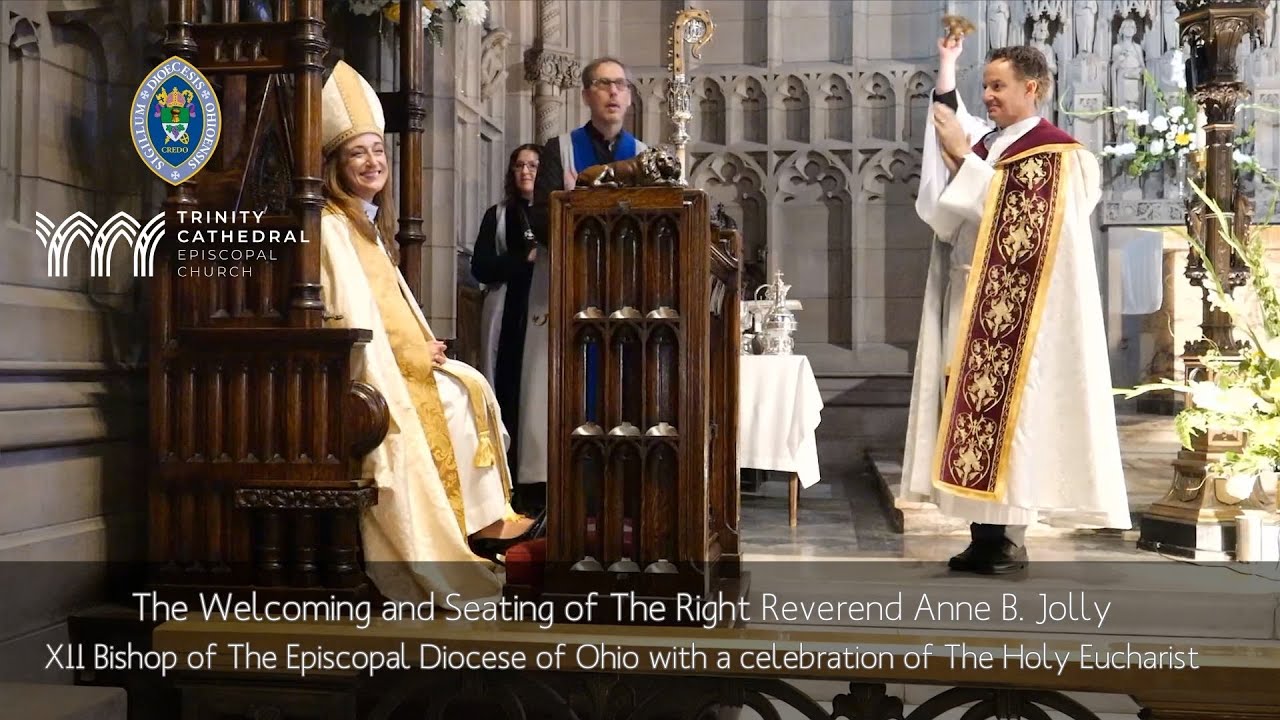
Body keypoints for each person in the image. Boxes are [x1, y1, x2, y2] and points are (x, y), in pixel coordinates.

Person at [899, 35, 1129, 574]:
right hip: (967, 298)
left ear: (1033, 88)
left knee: (1013, 422)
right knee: (965, 405)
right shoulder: (994, 147)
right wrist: (961, 156)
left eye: (998, 86)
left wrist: (962, 157)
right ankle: (983, 533)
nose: (989, 96)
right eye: (985, 86)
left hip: (1018, 318)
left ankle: (1009, 538)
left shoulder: (1057, 154)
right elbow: (953, 214)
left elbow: (1021, 216)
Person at [317, 61, 543, 602]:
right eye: (357, 153)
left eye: (377, 151)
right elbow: (352, 312)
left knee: (470, 385)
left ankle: (486, 520)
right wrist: (405, 359)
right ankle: (467, 530)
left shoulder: (364, 224)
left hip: (401, 359)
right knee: (452, 396)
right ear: (335, 164)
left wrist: (424, 343)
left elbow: (392, 301)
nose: (372, 162)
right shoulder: (330, 224)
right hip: (372, 375)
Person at [517, 56, 650, 513]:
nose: (613, 93)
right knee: (559, 382)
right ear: (586, 94)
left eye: (620, 84)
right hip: (570, 286)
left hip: (627, 290)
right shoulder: (560, 149)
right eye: (603, 84)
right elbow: (541, 216)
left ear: (629, 97)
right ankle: (558, 488)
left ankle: (625, 484)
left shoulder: (647, 154)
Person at [471, 143, 542, 489]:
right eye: (518, 166)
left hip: (544, 314)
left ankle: (539, 476)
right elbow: (481, 267)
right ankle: (504, 474)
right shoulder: (497, 215)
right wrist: (521, 260)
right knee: (505, 389)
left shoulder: (556, 213)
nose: (525, 172)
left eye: (532, 165)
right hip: (506, 313)